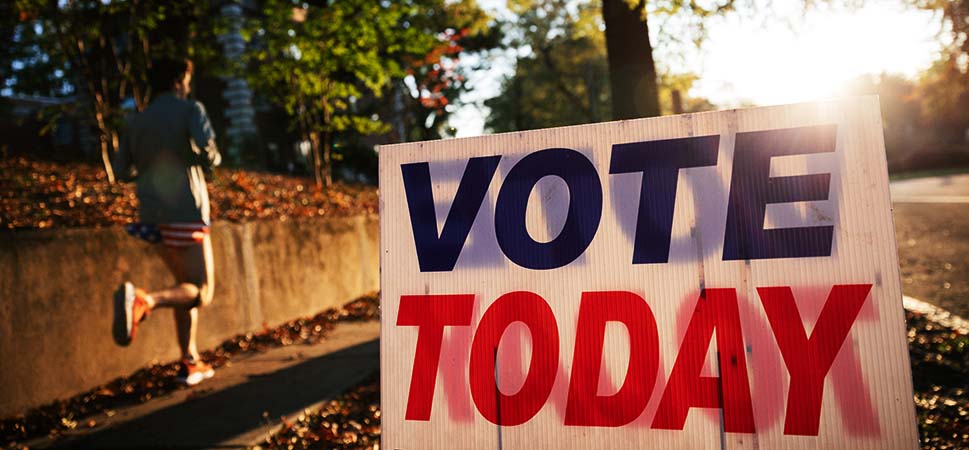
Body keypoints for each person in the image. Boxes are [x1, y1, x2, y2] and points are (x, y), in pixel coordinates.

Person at [111, 58, 222, 386]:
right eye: (187, 79)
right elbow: (208, 151)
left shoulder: (137, 121)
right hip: (186, 212)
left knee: (183, 289)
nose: (188, 85)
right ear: (178, 80)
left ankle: (190, 360)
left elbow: (121, 172)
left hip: (152, 216)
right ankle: (145, 300)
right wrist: (205, 161)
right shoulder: (191, 110)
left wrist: (149, 169)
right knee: (201, 291)